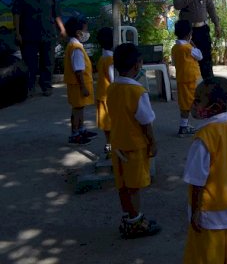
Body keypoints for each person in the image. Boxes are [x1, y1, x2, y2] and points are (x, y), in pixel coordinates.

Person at [183, 77, 227, 263]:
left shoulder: (204, 137)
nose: (193, 104)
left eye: (198, 100)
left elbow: (197, 179)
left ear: (216, 106)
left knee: (208, 255)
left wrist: (196, 211)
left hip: (209, 210)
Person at [108, 43, 160, 239]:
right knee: (134, 187)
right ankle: (135, 221)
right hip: (135, 146)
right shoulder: (138, 92)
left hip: (117, 144)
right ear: (138, 65)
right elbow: (146, 122)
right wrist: (153, 143)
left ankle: (129, 217)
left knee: (122, 185)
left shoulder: (112, 88)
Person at [12, 0, 66, 96]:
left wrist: (62, 29)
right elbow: (16, 14)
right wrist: (17, 32)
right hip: (28, 35)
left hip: (48, 34)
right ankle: (29, 87)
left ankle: (46, 86)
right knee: (29, 63)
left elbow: (56, 14)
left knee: (48, 62)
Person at [173, 0, 221, 79]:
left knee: (206, 60)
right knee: (189, 60)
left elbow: (210, 8)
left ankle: (208, 85)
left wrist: (217, 24)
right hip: (187, 33)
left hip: (202, 30)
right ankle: (193, 87)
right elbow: (178, 5)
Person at [63, 16, 97, 145]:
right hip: (78, 85)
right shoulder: (76, 48)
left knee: (79, 108)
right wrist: (83, 87)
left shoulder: (73, 45)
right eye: (85, 30)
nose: (87, 33)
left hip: (76, 84)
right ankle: (75, 133)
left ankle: (80, 129)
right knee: (77, 109)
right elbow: (78, 70)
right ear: (78, 32)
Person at [171, 20, 203, 137]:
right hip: (192, 78)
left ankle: (183, 125)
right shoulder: (189, 48)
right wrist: (193, 45)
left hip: (181, 78)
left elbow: (174, 62)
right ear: (189, 33)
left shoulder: (175, 48)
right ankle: (186, 126)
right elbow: (200, 56)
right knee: (195, 101)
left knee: (184, 103)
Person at [96, 27, 115, 157]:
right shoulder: (110, 59)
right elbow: (113, 78)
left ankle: (108, 144)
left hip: (102, 94)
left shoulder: (102, 57)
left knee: (106, 123)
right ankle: (111, 146)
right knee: (111, 123)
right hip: (109, 95)